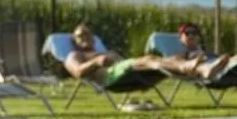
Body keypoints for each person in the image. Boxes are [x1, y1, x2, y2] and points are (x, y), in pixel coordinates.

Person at [63, 22, 226, 87]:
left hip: (127, 70)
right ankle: (190, 68)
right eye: (81, 35)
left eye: (88, 34)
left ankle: (203, 69)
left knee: (173, 59)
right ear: (74, 40)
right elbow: (77, 72)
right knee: (150, 60)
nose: (86, 37)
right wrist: (96, 61)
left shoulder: (101, 51)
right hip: (112, 78)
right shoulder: (74, 55)